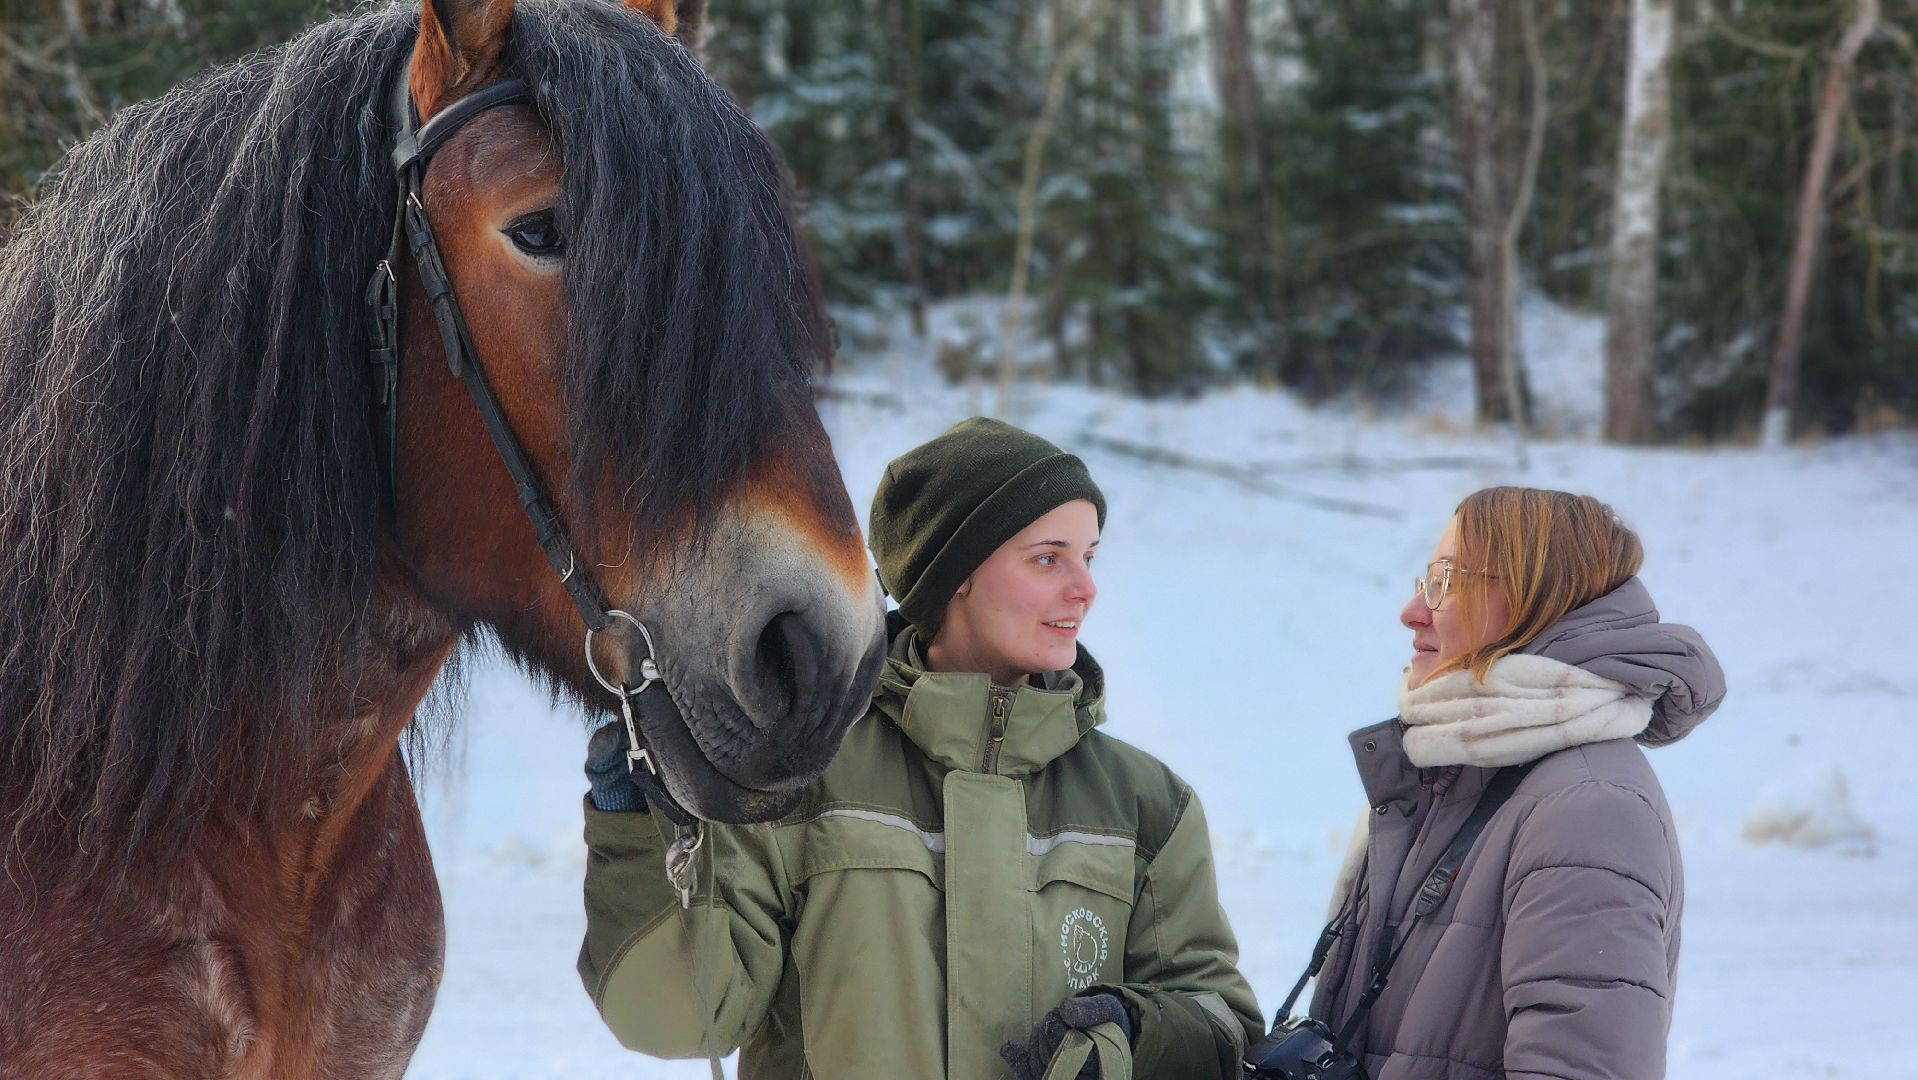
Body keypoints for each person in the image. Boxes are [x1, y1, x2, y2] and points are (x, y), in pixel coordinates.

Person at [577, 417, 1262, 1080]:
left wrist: (1131, 1032)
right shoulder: (803, 773)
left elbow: (1223, 1026)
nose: (1085, 588)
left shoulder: (1146, 805)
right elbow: (679, 1018)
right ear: (956, 572)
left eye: (1088, 557)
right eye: (1048, 558)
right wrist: (637, 827)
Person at [1289, 486, 1725, 1080]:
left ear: (1535, 600)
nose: (1413, 610)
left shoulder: (1588, 808)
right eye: (1426, 579)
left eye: (1447, 580)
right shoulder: (1452, 775)